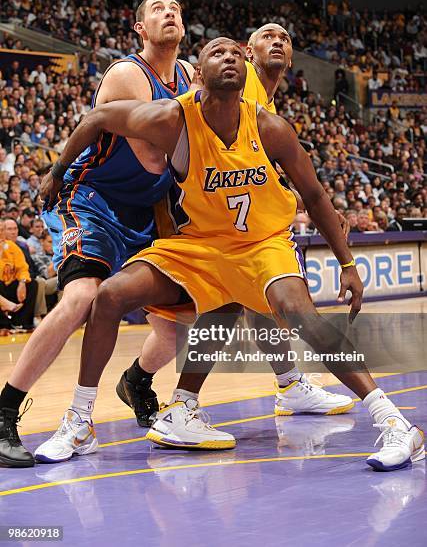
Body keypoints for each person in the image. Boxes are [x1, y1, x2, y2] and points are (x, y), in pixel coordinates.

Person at [36, 37, 424, 471]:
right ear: (197, 75)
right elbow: (99, 117)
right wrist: (56, 172)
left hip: (264, 243)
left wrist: (347, 263)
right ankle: (81, 422)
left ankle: (394, 423)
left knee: (299, 315)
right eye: (218, 53)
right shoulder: (173, 119)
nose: (230, 58)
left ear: (245, 73)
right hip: (203, 246)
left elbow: (314, 195)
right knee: (108, 296)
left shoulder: (268, 127)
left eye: (236, 54)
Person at [127, 24, 353, 436]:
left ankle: (284, 384)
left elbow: (250, 171)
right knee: (215, 314)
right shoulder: (239, 87)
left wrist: (313, 202)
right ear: (249, 52)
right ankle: (161, 390)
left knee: (245, 307)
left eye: (285, 37)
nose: (278, 42)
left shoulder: (261, 99)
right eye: (268, 37)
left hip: (230, 221)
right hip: (195, 220)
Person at [0, 0, 193, 468]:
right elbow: (155, 157)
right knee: (83, 297)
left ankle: (137, 380)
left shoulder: (189, 75)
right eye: (157, 9)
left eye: (175, 8)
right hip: (90, 199)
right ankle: (4, 411)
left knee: (179, 322)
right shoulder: (129, 74)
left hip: (143, 214)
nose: (168, 12)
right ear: (139, 29)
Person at [0, 219, 37, 331]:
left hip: (10, 284)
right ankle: (4, 324)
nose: (0, 233)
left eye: (1, 230)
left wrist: (22, 282)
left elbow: (22, 267)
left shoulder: (11, 246)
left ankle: (21, 323)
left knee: (32, 284)